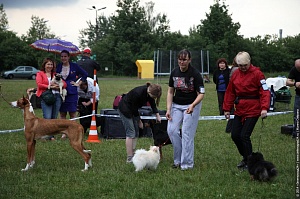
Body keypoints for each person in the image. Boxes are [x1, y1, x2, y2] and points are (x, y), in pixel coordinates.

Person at [223, 51, 270, 170]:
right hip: (240, 108)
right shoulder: (235, 74)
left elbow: (264, 91)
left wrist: (264, 107)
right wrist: (227, 108)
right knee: (234, 135)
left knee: (244, 135)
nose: (243, 68)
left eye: (245, 65)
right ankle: (246, 157)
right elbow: (230, 92)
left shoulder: (258, 74)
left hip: (254, 109)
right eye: (240, 66)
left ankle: (250, 163)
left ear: (249, 62)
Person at [166, 49, 205, 171]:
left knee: (187, 134)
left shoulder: (195, 74)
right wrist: (168, 109)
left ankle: (187, 164)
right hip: (177, 105)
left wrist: (192, 105)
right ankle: (177, 160)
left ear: (189, 60)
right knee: (171, 131)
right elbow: (170, 91)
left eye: (184, 60)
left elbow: (201, 94)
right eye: (180, 59)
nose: (182, 62)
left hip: (192, 104)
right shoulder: (174, 72)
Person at [118, 82, 162, 163]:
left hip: (132, 110)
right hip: (125, 109)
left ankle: (133, 153)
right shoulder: (138, 93)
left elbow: (152, 103)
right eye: (154, 97)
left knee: (136, 132)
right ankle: (130, 158)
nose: (154, 98)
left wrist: (157, 115)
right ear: (150, 92)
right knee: (130, 133)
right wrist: (139, 121)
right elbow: (134, 109)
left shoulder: (149, 93)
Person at [56, 50, 88, 138]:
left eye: (65, 56)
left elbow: (85, 74)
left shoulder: (74, 66)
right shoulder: (58, 66)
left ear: (69, 57)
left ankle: (73, 131)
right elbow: (55, 76)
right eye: (62, 56)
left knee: (72, 113)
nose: (63, 58)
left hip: (72, 92)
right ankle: (63, 132)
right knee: (62, 113)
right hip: (61, 92)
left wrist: (78, 83)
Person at [36, 57, 67, 140]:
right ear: (44, 65)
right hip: (47, 97)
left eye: (51, 64)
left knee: (54, 118)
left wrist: (59, 86)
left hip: (57, 96)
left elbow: (64, 84)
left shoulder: (56, 74)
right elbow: (39, 84)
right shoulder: (40, 73)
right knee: (47, 117)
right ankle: (44, 135)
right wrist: (50, 86)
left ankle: (51, 136)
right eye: (48, 64)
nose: (50, 66)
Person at [213, 58, 232, 133]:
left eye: (223, 63)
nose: (222, 64)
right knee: (220, 102)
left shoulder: (228, 71)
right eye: (220, 63)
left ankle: (228, 115)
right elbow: (215, 79)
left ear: (225, 64)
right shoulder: (216, 72)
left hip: (227, 89)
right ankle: (221, 115)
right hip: (219, 89)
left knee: (227, 102)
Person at [286, 59, 300, 138]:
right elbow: (287, 82)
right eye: (298, 69)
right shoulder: (294, 70)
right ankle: (296, 134)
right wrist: (295, 83)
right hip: (299, 95)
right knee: (297, 114)